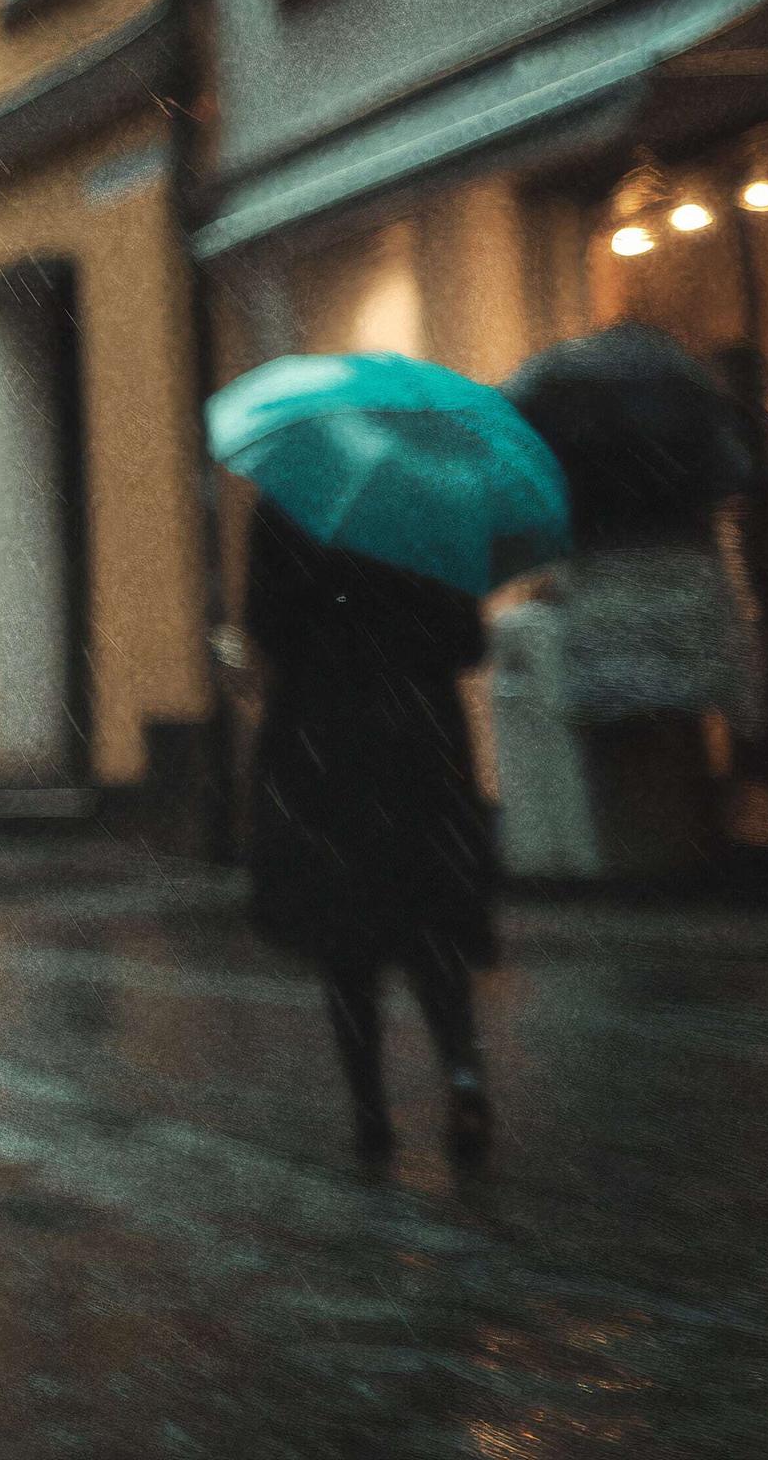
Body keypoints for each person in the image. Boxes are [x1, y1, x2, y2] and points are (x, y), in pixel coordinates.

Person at [241, 498, 497, 1167]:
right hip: (421, 739)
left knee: (346, 937)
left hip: (326, 741)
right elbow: (469, 642)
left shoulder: (292, 505)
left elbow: (265, 627)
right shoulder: (430, 505)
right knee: (433, 925)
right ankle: (463, 1077)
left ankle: (369, 1113)